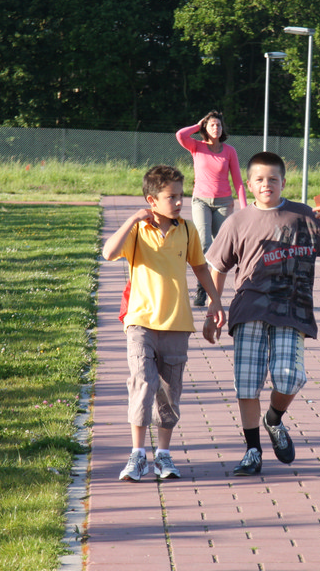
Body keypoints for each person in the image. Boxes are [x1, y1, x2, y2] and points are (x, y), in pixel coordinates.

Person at [206, 151, 320, 476]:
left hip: (292, 309)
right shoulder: (237, 221)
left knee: (290, 376)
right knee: (247, 383)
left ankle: (273, 419)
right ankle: (252, 450)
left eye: (273, 179)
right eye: (259, 179)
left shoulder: (303, 215)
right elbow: (218, 266)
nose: (266, 184)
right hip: (249, 308)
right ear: (249, 184)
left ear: (283, 182)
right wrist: (214, 305)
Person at [102, 165, 225, 482]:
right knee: (143, 382)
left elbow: (200, 268)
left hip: (177, 323)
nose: (179, 202)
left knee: (170, 392)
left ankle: (163, 455)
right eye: (172, 197)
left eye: (181, 195)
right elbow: (108, 252)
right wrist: (132, 219)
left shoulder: (187, 230)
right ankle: (137, 454)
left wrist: (215, 301)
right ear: (151, 200)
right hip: (140, 322)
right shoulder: (138, 230)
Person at [176, 111, 247, 307]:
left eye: (219, 125)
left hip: (224, 203)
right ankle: (202, 288)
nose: (216, 128)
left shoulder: (229, 151)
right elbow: (180, 135)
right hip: (201, 201)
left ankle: (224, 286)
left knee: (222, 247)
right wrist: (197, 125)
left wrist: (244, 207)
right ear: (205, 128)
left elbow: (238, 181)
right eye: (212, 125)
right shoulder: (196, 146)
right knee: (204, 243)